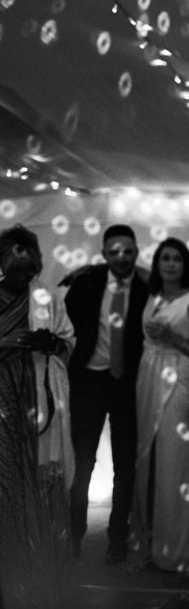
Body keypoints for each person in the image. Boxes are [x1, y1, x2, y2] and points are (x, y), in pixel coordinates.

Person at [127, 238, 189, 573]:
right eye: (165, 258)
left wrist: (172, 337)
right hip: (148, 374)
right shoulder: (152, 295)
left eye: (177, 258)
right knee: (145, 457)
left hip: (178, 376)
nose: (170, 264)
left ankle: (176, 550)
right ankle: (148, 539)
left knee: (173, 460)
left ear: (186, 265)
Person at [0, 225, 76, 607]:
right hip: (3, 404)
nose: (24, 277)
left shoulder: (47, 297)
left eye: (31, 270)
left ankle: (44, 578)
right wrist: (4, 343)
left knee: (44, 485)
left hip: (41, 402)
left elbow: (68, 340)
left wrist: (55, 344)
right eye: (15, 270)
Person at [64, 224, 148, 563]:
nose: (122, 257)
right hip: (88, 380)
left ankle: (117, 539)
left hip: (127, 382)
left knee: (125, 465)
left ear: (137, 252)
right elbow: (64, 322)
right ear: (103, 255)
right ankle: (74, 537)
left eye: (128, 251)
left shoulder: (146, 287)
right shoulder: (84, 283)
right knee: (82, 462)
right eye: (114, 252)